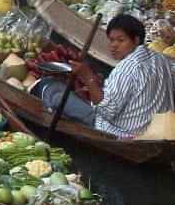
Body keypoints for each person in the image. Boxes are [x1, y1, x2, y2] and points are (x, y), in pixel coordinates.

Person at [33, 15, 175, 138]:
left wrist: (88, 77)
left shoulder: (126, 68)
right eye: (111, 40)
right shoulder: (162, 59)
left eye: (120, 40)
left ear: (136, 40)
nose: (113, 46)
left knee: (53, 92)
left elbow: (107, 111)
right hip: (162, 130)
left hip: (124, 133)